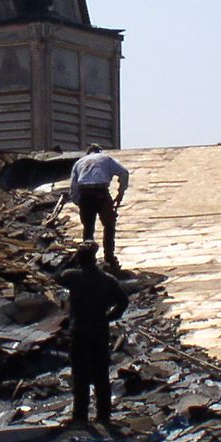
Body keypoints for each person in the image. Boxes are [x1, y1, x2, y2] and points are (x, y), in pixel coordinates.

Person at [59, 242, 129, 426]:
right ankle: (103, 415)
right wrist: (109, 317)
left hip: (79, 331)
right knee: (101, 375)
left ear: (79, 259)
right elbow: (123, 301)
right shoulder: (107, 280)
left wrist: (70, 260)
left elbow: (56, 276)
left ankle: (80, 416)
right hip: (99, 330)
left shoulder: (73, 276)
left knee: (80, 375)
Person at [67, 144, 130, 270]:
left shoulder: (79, 162)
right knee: (109, 225)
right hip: (101, 192)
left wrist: (80, 202)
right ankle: (109, 258)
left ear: (87, 152)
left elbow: (73, 188)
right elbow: (124, 172)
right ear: (99, 151)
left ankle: (87, 261)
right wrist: (120, 193)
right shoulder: (106, 159)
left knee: (88, 228)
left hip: (85, 194)